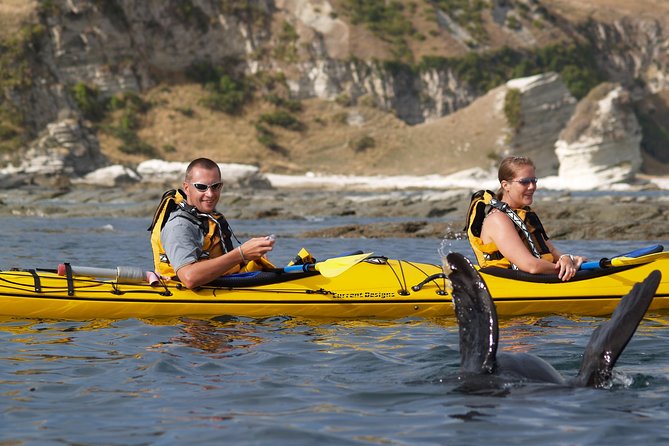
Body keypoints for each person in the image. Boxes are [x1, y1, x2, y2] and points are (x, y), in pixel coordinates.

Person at [148, 158, 275, 288]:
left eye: (215, 187)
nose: (210, 194)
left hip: (221, 283)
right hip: (183, 291)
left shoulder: (206, 217)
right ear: (186, 188)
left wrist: (251, 256)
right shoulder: (179, 226)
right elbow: (189, 278)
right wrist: (241, 254)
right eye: (201, 187)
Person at [464, 156, 585, 281]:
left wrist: (566, 259)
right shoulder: (498, 219)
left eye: (533, 180)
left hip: (535, 279)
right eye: (524, 182)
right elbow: (531, 266)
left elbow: (552, 251)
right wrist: (569, 269)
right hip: (508, 283)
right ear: (506, 185)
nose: (532, 186)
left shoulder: (523, 214)